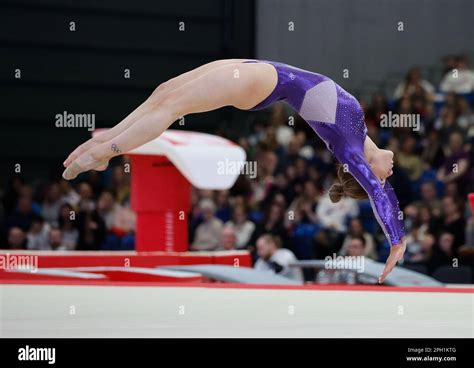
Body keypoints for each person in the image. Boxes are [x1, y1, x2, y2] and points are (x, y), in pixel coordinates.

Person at [61, 58, 406, 282]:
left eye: (383, 177)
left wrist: (396, 241)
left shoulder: (350, 150)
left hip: (263, 82)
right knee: (163, 93)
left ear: (367, 172)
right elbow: (378, 187)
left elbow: (380, 195)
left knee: (171, 107)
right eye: (387, 177)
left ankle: (106, 152)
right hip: (260, 70)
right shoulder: (358, 135)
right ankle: (101, 145)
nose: (389, 175)